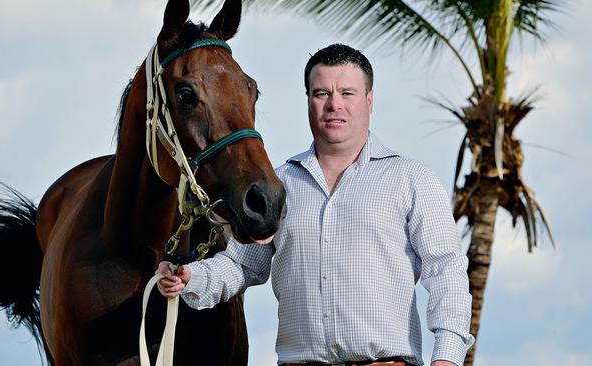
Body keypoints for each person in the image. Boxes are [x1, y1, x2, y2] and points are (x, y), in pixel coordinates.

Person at [157, 43, 474, 366]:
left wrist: (447, 358)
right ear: (308, 100)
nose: (334, 105)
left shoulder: (411, 179)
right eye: (321, 93)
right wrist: (189, 277)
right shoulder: (280, 186)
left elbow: (446, 271)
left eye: (347, 93)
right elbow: (242, 265)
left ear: (369, 100)